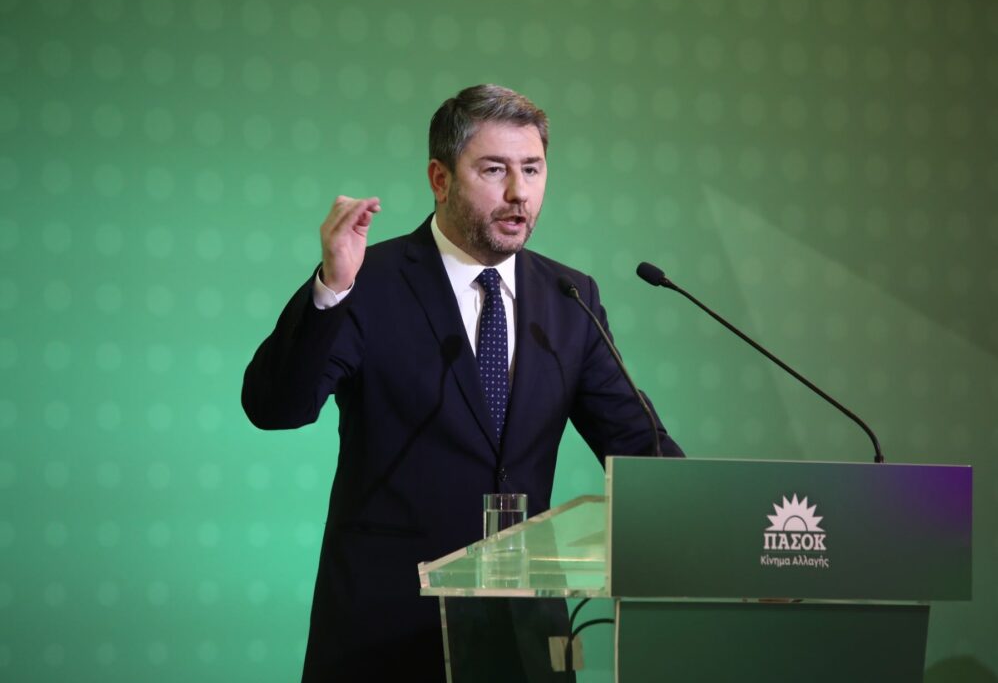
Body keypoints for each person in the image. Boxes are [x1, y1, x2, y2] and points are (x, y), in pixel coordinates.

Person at [242, 84, 683, 682]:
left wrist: (727, 530)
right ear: (440, 178)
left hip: (523, 637)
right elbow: (276, 407)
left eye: (532, 169)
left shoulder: (569, 297)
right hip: (385, 631)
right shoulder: (369, 281)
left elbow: (639, 448)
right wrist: (331, 287)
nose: (519, 192)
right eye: (495, 169)